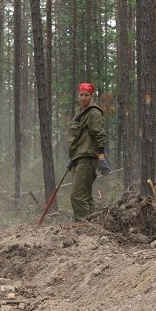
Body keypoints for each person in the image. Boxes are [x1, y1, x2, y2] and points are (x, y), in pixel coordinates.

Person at [67, 82, 111, 221]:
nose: (83, 98)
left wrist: (101, 158)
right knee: (85, 195)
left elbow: (98, 135)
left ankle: (83, 226)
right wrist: (72, 159)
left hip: (87, 159)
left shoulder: (94, 113)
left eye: (86, 95)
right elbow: (78, 139)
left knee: (77, 195)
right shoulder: (80, 114)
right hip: (79, 158)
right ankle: (94, 223)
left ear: (92, 96)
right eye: (81, 95)